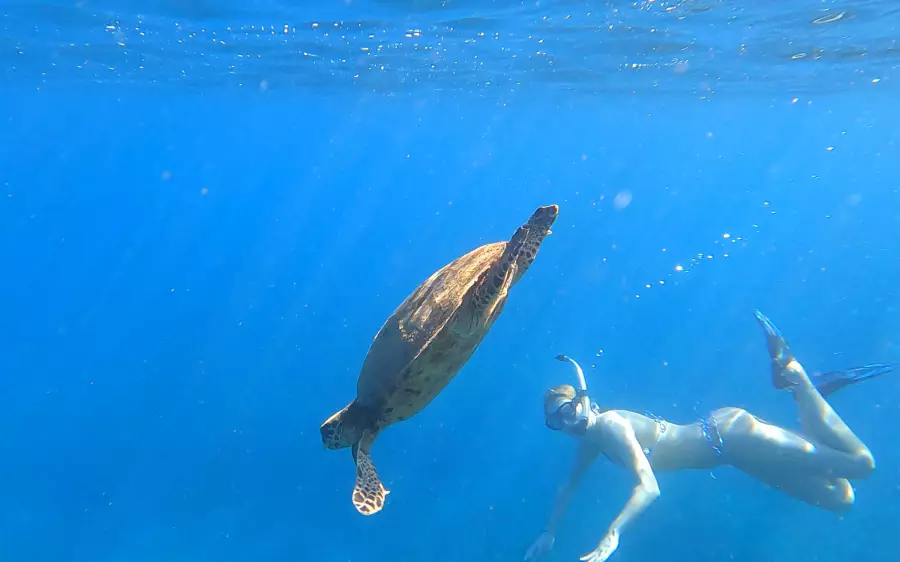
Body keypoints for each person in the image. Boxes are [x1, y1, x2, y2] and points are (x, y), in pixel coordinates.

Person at [525, 310, 895, 562]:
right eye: (556, 422)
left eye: (567, 411)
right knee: (841, 498)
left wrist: (613, 534)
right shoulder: (591, 441)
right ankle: (806, 390)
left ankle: (798, 378)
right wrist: (548, 532)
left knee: (861, 464)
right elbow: (569, 486)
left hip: (732, 434)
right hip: (733, 453)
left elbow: (649, 487)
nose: (567, 423)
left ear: (586, 401)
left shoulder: (610, 425)